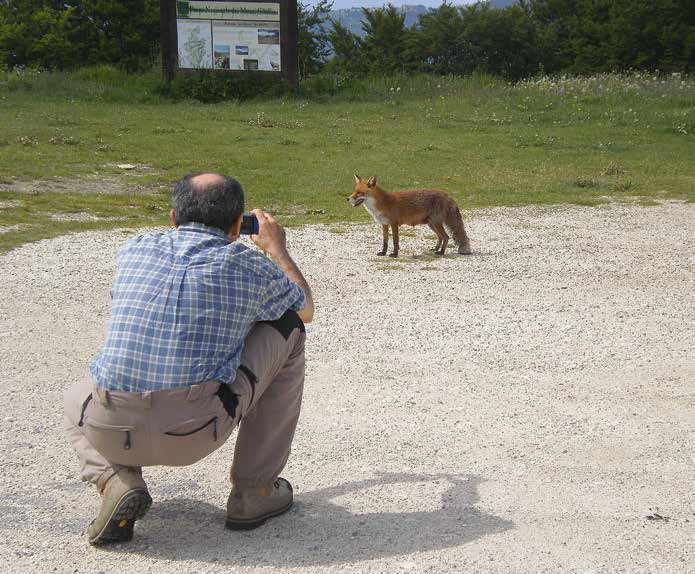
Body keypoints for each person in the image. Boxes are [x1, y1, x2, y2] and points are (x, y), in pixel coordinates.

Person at [64, 173, 314, 545]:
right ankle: (253, 491)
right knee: (290, 327)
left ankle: (113, 478)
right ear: (236, 226)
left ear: (172, 218)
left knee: (78, 393)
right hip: (192, 433)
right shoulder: (249, 266)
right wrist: (276, 248)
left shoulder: (134, 248)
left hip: (108, 427)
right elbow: (305, 307)